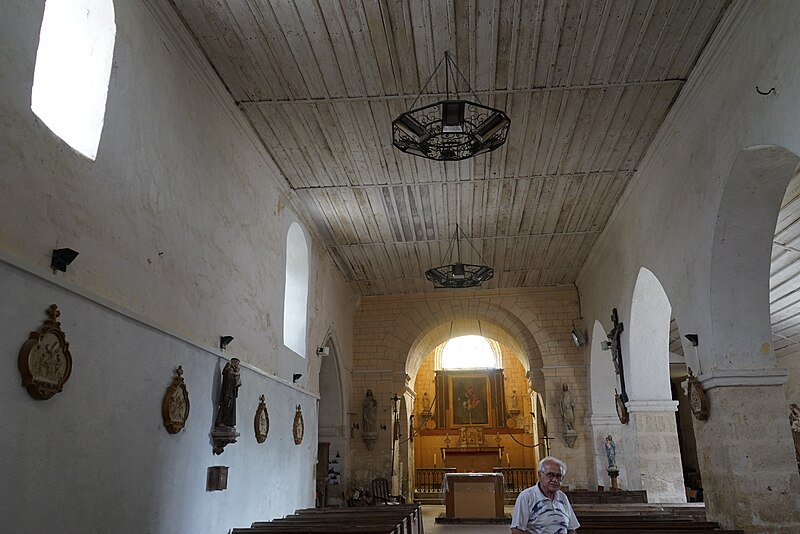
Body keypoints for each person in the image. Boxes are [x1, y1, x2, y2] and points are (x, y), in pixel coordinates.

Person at [511, 456, 580, 534]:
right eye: (550, 475)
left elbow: (571, 529)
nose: (554, 480)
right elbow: (517, 531)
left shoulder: (562, 497)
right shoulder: (526, 496)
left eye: (558, 476)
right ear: (540, 475)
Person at [214, 358, 241, 429]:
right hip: (228, 393)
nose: (238, 366)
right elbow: (228, 379)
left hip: (232, 392)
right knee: (226, 407)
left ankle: (228, 422)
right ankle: (221, 421)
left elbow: (238, 383)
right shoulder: (228, 370)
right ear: (234, 362)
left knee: (231, 408)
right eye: (237, 364)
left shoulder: (233, 370)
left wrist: (237, 374)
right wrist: (236, 373)